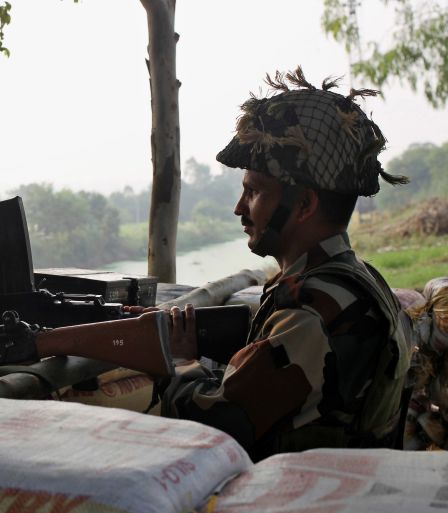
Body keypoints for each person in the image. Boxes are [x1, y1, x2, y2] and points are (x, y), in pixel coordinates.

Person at [160, 67, 411, 461]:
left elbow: (215, 427)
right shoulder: (360, 279)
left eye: (255, 192)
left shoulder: (313, 308)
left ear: (306, 204)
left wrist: (180, 361)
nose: (240, 208)